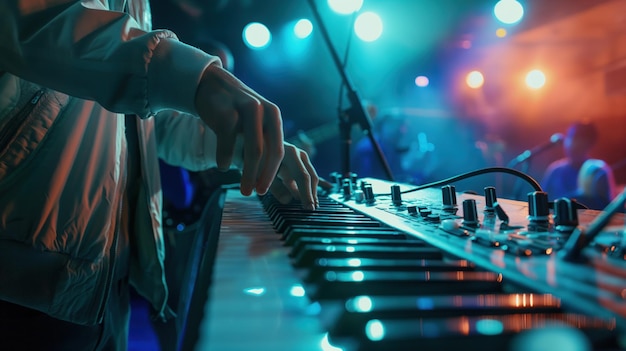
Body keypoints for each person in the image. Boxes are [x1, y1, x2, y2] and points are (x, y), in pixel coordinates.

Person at [0, 1, 320, 350]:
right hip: (20, 278)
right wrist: (195, 78)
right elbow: (42, 22)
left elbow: (147, 116)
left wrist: (247, 147)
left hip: (97, 277)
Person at [541, 121, 613, 209]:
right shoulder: (555, 169)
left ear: (589, 143)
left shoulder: (598, 170)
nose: (572, 142)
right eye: (570, 137)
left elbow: (607, 208)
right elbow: (543, 202)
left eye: (579, 138)